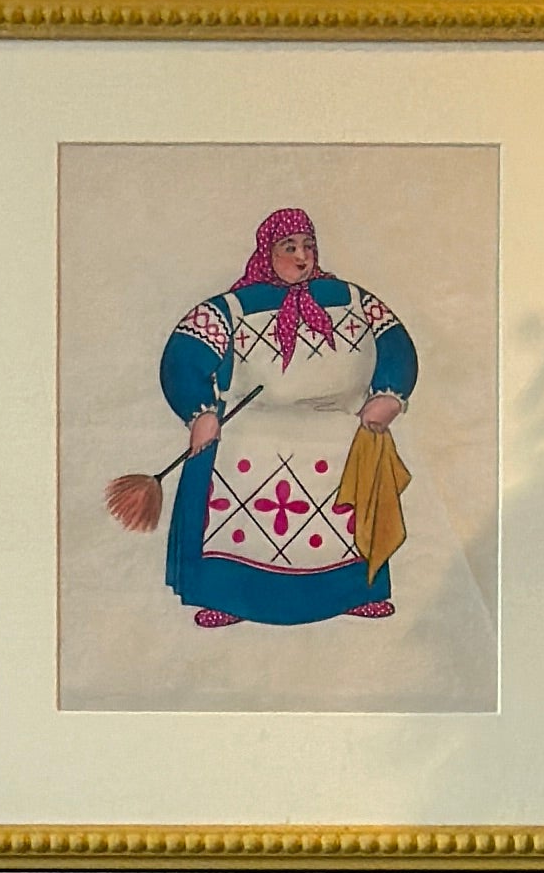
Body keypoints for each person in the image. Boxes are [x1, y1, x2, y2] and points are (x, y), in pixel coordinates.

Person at [152, 208, 417, 629]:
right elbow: (183, 356)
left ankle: (354, 589)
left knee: (347, 504)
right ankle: (229, 594)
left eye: (308, 247)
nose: (302, 257)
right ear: (266, 252)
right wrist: (199, 411)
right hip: (252, 431)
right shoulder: (233, 308)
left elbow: (396, 343)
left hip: (339, 428)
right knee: (233, 486)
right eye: (289, 248)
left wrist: (388, 396)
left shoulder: (351, 299)